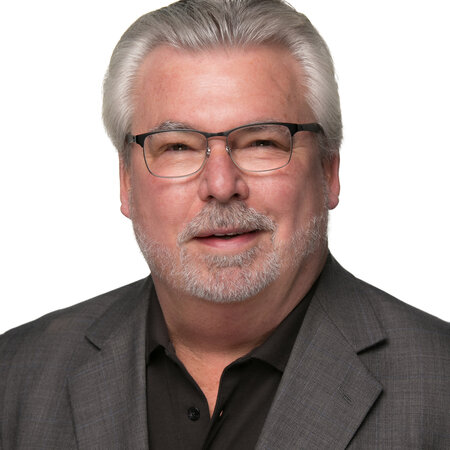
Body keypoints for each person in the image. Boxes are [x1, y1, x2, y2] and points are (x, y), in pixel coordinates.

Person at [0, 0, 448, 448]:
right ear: (126, 182)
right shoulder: (15, 376)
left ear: (329, 170)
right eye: (177, 147)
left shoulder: (438, 385)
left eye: (261, 142)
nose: (220, 185)